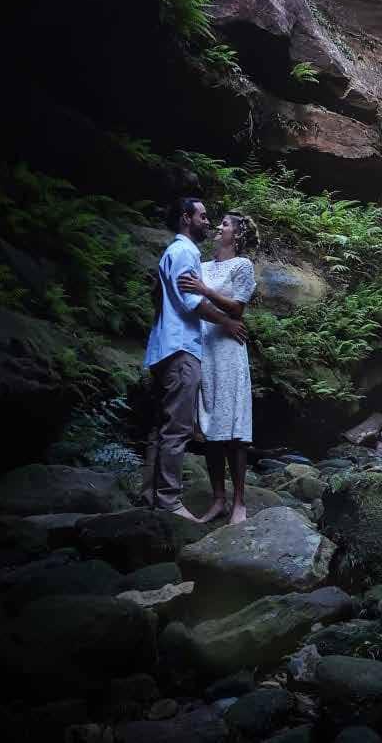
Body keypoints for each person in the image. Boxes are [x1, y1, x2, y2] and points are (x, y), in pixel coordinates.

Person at [141, 197, 247, 519]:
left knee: (160, 427)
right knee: (177, 429)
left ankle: (151, 496)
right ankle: (169, 501)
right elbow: (192, 302)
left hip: (162, 347)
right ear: (186, 218)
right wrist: (226, 322)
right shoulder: (187, 253)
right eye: (202, 216)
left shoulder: (170, 252)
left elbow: (158, 297)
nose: (208, 222)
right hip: (182, 349)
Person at [178, 212, 258, 524]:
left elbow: (237, 308)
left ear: (236, 235)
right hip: (204, 348)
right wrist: (200, 289)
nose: (218, 226)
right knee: (210, 424)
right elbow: (191, 303)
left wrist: (205, 290)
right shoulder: (202, 266)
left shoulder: (242, 265)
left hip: (228, 349)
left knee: (234, 424)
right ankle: (218, 499)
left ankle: (239, 502)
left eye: (225, 224)